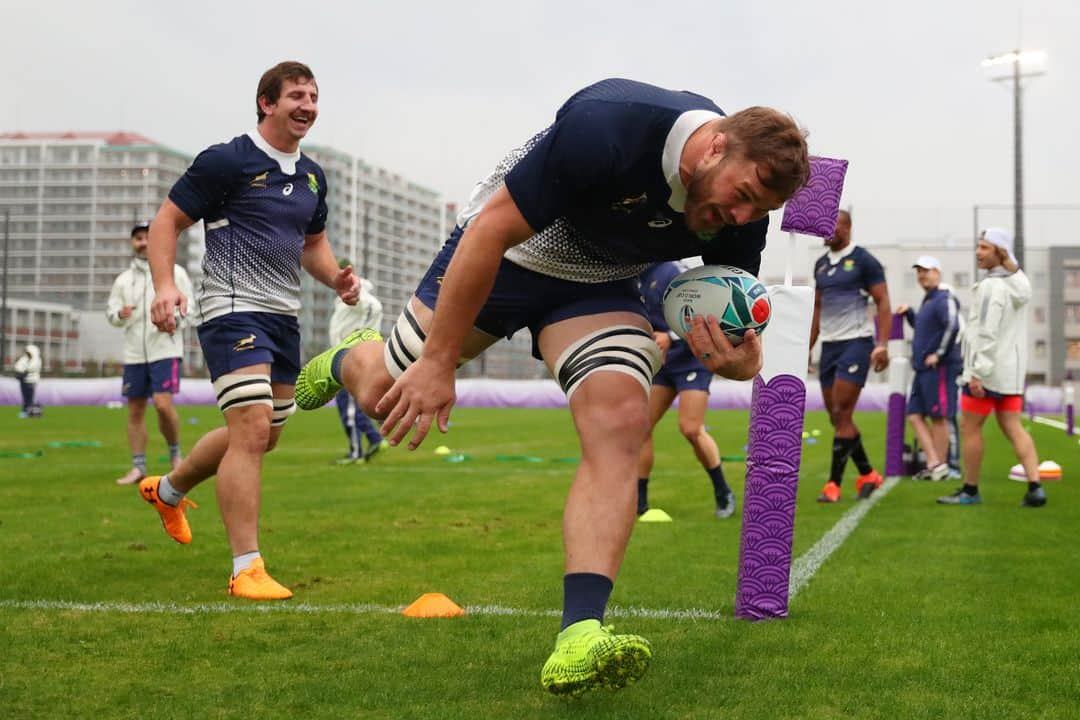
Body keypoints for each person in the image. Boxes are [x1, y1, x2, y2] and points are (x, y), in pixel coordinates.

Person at [292, 78, 809, 695]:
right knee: (391, 390)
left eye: (759, 212)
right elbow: (489, 232)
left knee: (620, 421)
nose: (743, 218)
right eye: (744, 196)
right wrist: (436, 363)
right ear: (714, 147)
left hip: (602, 284)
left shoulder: (740, 216)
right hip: (509, 252)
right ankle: (354, 358)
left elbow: (728, 320)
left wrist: (739, 361)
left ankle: (580, 634)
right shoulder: (609, 129)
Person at [140, 61, 361, 600]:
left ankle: (168, 490)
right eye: (296, 95)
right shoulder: (228, 160)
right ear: (267, 103)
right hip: (231, 308)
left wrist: (337, 279)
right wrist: (165, 286)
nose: (307, 105)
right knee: (252, 427)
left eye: (313, 95)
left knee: (265, 435)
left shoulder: (313, 175)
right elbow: (166, 221)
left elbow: (312, 244)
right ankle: (246, 568)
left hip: (283, 317)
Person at [937, 228, 1046, 507]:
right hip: (1010, 374)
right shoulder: (1016, 286)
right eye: (978, 246)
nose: (978, 252)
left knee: (969, 427)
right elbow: (1024, 289)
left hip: (987, 374)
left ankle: (970, 490)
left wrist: (977, 373)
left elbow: (986, 333)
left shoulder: (991, 287)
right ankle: (1035, 487)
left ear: (1000, 252)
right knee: (1013, 426)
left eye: (985, 247)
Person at [634, 261, 736, 519]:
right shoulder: (628, 275)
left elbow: (705, 314)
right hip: (663, 363)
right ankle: (639, 503)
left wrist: (670, 335)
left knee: (691, 428)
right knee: (640, 429)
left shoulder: (671, 272)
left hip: (692, 359)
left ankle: (723, 492)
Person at [809, 209, 891, 503]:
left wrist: (882, 344)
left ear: (847, 228)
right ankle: (868, 474)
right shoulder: (820, 265)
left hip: (856, 342)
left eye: (832, 226)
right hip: (829, 346)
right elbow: (817, 309)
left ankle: (833, 484)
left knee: (843, 411)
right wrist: (808, 347)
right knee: (836, 417)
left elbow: (883, 301)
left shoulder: (865, 261)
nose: (826, 232)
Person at [107, 221, 193, 485]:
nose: (143, 242)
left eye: (147, 237)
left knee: (163, 405)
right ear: (133, 243)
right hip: (134, 354)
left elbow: (189, 311)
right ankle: (138, 466)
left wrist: (172, 322)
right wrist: (119, 315)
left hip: (165, 350)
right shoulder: (123, 280)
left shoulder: (175, 274)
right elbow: (111, 313)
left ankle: (176, 456)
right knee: (135, 410)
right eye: (138, 238)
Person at [894, 255, 962, 481]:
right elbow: (926, 330)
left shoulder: (944, 297)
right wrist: (910, 314)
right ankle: (935, 463)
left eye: (926, 270)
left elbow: (952, 326)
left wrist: (939, 354)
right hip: (923, 369)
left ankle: (947, 466)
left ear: (938, 273)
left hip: (939, 368)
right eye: (919, 271)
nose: (922, 275)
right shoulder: (929, 300)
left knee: (940, 416)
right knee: (914, 415)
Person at [328, 268, 386, 464]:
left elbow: (370, 307)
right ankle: (373, 438)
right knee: (349, 407)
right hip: (344, 359)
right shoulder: (347, 302)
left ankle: (357, 452)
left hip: (351, 361)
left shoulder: (364, 301)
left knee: (350, 410)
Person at [13, 344, 42, 418]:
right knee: (25, 397)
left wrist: (23, 370)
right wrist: (21, 371)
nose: (27, 353)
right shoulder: (24, 358)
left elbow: (30, 368)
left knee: (29, 397)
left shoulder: (37, 360)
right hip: (23, 380)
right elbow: (17, 366)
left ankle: (29, 411)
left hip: (31, 381)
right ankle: (26, 411)